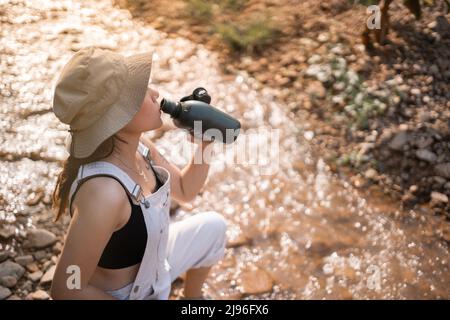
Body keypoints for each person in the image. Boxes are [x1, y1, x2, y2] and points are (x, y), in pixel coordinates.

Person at [50, 46, 227, 300]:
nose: (155, 93)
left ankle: (193, 299)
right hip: (131, 296)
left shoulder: (141, 148)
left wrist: (204, 144)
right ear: (117, 115)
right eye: (140, 91)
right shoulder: (104, 192)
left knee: (214, 228)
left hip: (156, 268)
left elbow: (186, 191)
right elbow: (67, 288)